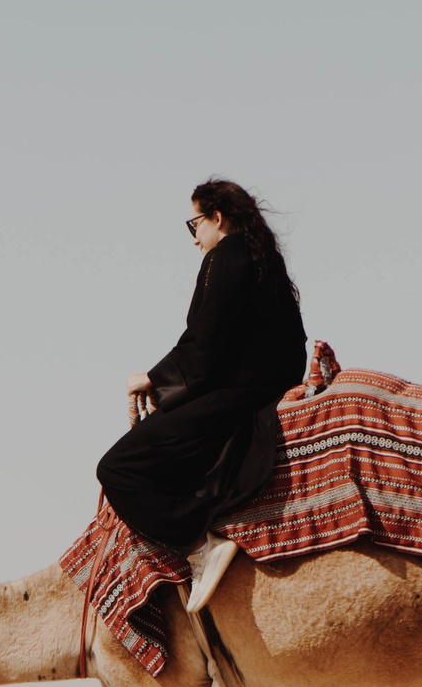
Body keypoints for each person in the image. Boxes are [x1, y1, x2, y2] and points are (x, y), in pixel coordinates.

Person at [96, 179, 308, 610]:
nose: (195, 238)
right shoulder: (266, 261)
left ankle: (197, 544)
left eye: (196, 224)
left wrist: (153, 380)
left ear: (217, 217)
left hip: (237, 398)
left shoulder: (226, 256)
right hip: (263, 389)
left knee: (117, 467)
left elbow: (205, 343)